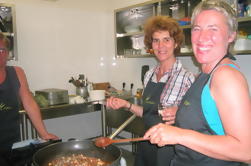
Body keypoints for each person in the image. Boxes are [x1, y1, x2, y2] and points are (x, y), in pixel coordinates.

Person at [144, 1, 251, 166]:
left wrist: (179, 135)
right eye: (197, 29)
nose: (202, 37)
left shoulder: (226, 76)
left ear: (231, 36)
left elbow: (246, 151)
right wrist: (179, 111)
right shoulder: (206, 73)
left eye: (213, 29)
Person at [106, 16, 195, 166]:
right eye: (156, 40)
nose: (160, 46)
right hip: (146, 143)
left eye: (166, 39)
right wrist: (126, 105)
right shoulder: (149, 75)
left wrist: (180, 113)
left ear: (176, 43)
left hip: (170, 150)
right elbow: (148, 112)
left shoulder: (187, 78)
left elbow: (195, 122)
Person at [0, 33, 59, 165]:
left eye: (1, 50)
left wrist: (44, 133)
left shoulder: (17, 72)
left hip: (12, 143)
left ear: (8, 53)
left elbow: (29, 102)